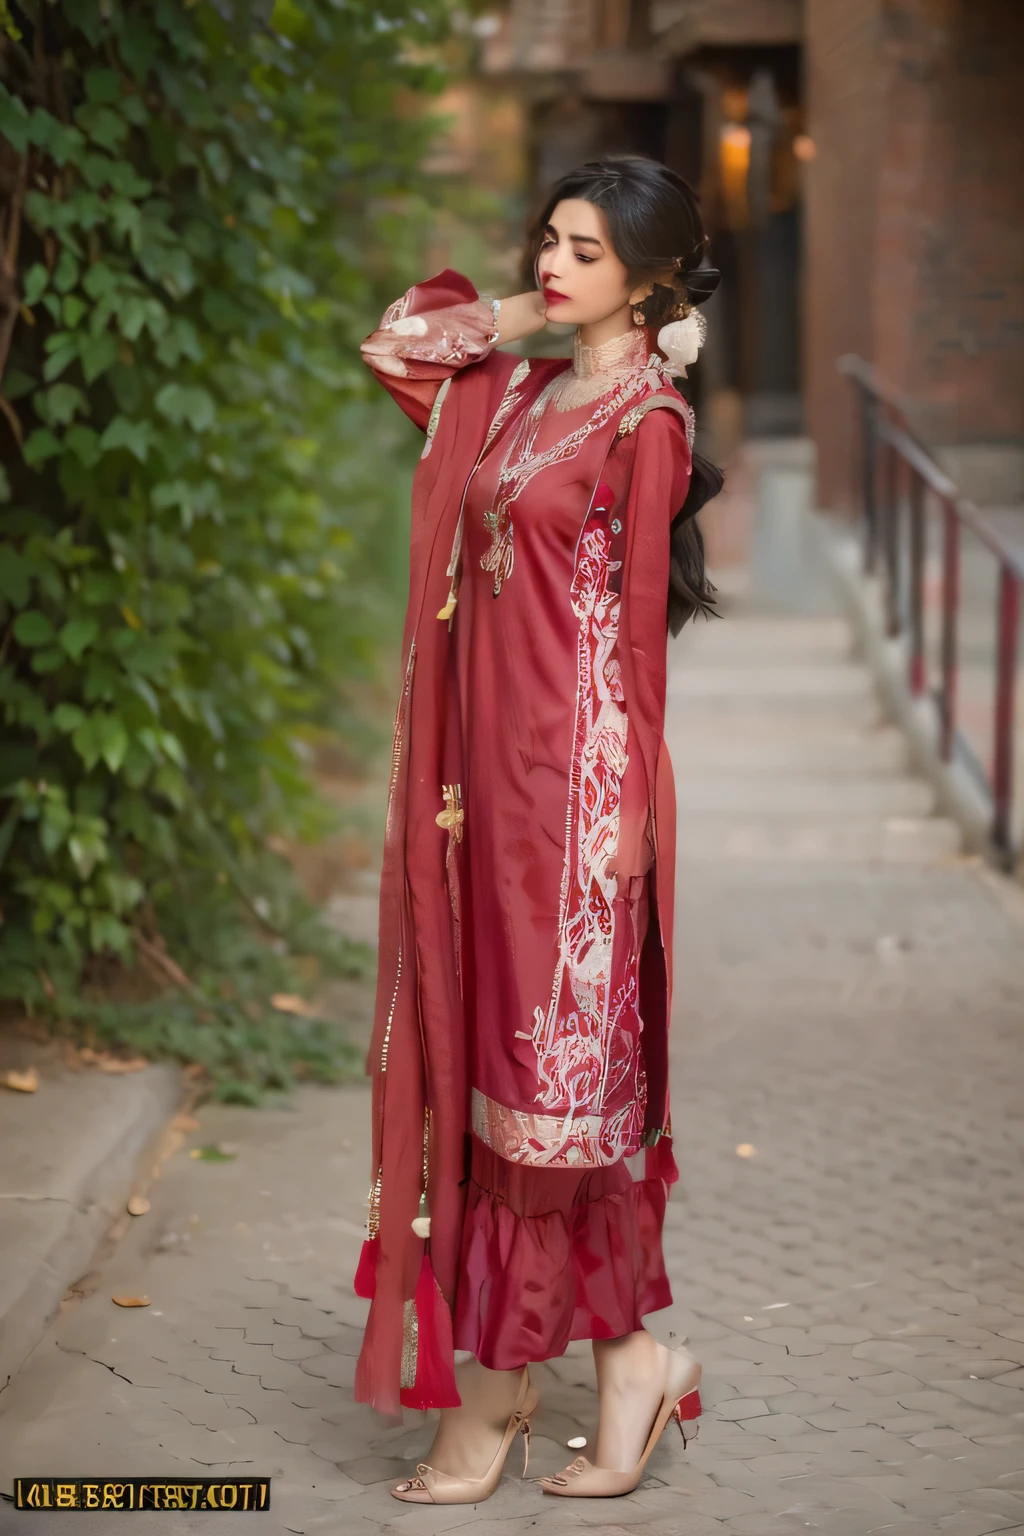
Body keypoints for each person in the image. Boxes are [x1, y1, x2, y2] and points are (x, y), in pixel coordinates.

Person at [353, 155, 722, 1505]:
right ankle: (632, 1365)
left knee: (552, 1108)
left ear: (654, 276)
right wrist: (521, 310)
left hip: (571, 811)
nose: (555, 263)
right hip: (479, 795)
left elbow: (634, 650)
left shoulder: (648, 422)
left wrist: (625, 832)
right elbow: (393, 343)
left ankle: (503, 1390)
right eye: (547, 239)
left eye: (584, 250)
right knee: (506, 1098)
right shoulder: (516, 391)